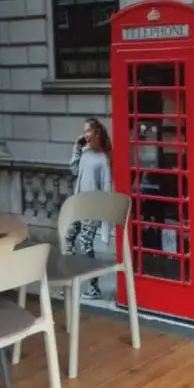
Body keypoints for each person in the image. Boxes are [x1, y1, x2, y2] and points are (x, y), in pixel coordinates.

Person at [67, 117, 112, 299]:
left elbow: (107, 188)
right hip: (79, 205)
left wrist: (105, 220)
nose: (84, 134)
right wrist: (76, 148)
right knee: (68, 238)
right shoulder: (85, 152)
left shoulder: (103, 159)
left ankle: (94, 287)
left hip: (92, 208)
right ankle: (69, 280)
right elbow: (74, 170)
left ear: (96, 133)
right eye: (84, 131)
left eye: (87, 131)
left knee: (86, 245)